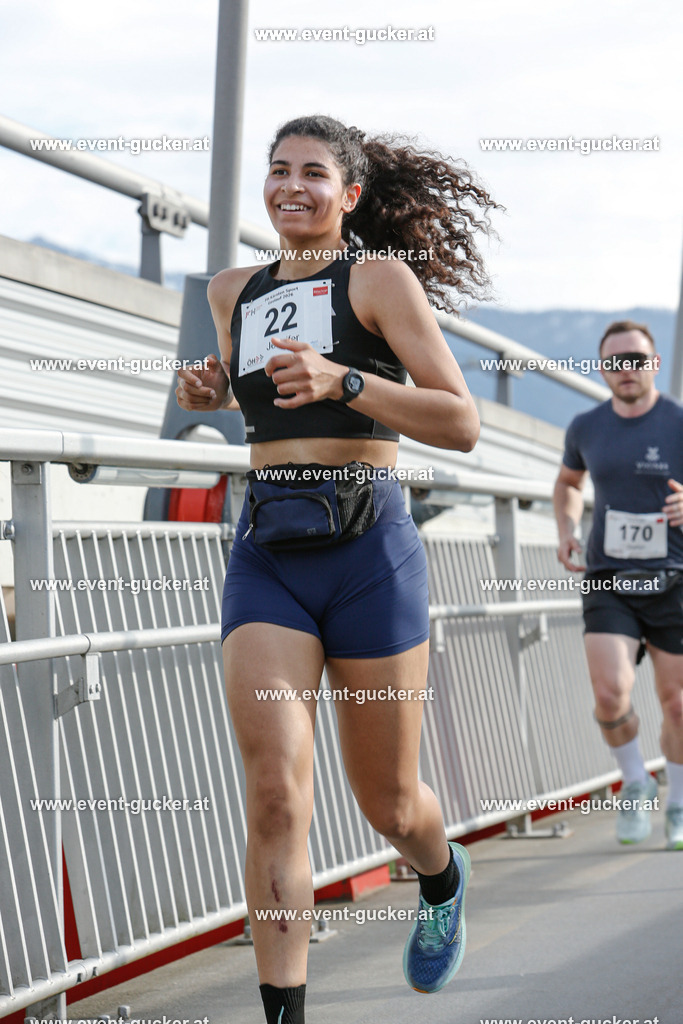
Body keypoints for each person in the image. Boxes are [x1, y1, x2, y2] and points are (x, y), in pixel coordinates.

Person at [176, 114, 499, 1023]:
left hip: (368, 551)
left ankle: (439, 877)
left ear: (348, 195)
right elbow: (251, 406)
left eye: (312, 174)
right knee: (276, 791)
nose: (290, 187)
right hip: (268, 552)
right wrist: (204, 392)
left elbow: (460, 421)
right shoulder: (230, 290)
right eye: (277, 171)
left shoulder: (378, 279)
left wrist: (344, 382)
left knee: (389, 805)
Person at [553, 320, 683, 849]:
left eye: (637, 359)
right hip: (609, 579)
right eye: (615, 361)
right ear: (603, 367)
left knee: (677, 703)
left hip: (675, 578)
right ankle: (634, 780)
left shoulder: (679, 422)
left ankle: (677, 802)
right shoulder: (586, 426)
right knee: (610, 693)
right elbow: (567, 484)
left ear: (653, 364)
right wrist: (565, 528)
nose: (626, 369)